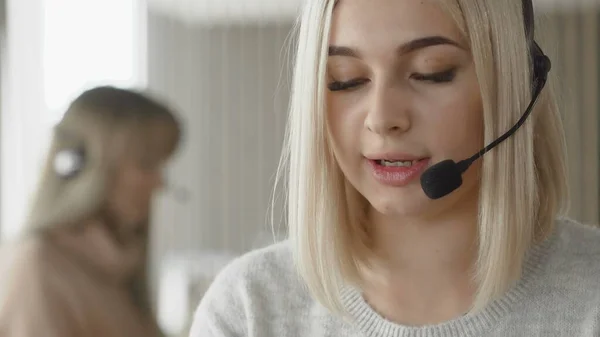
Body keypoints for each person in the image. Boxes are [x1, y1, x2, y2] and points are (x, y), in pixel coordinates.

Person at [190, 0, 600, 336]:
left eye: (430, 72)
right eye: (346, 80)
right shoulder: (248, 311)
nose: (383, 118)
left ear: (518, 86)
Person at [0, 86, 182, 337]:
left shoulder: (120, 263)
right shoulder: (39, 268)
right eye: (146, 164)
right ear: (85, 167)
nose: (160, 183)